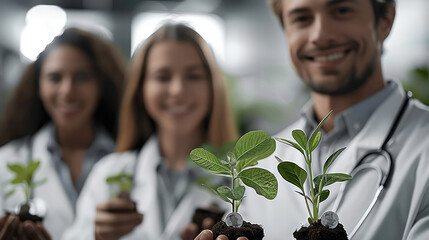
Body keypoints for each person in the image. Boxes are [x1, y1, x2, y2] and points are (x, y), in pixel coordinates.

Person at [191, 0, 429, 239]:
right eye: (302, 18)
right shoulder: (263, 163)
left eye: (342, 10)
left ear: (385, 19)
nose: (320, 35)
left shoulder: (422, 146)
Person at [62, 23, 238, 240]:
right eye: (162, 77)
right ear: (141, 89)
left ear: (213, 87)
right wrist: (96, 236)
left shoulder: (239, 182)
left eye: (193, 76)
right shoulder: (109, 173)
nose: (177, 90)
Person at [0, 28, 126, 240]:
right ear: (38, 86)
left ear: (100, 85)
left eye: (83, 77)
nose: (67, 91)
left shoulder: (130, 161)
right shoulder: (7, 161)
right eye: (55, 77)